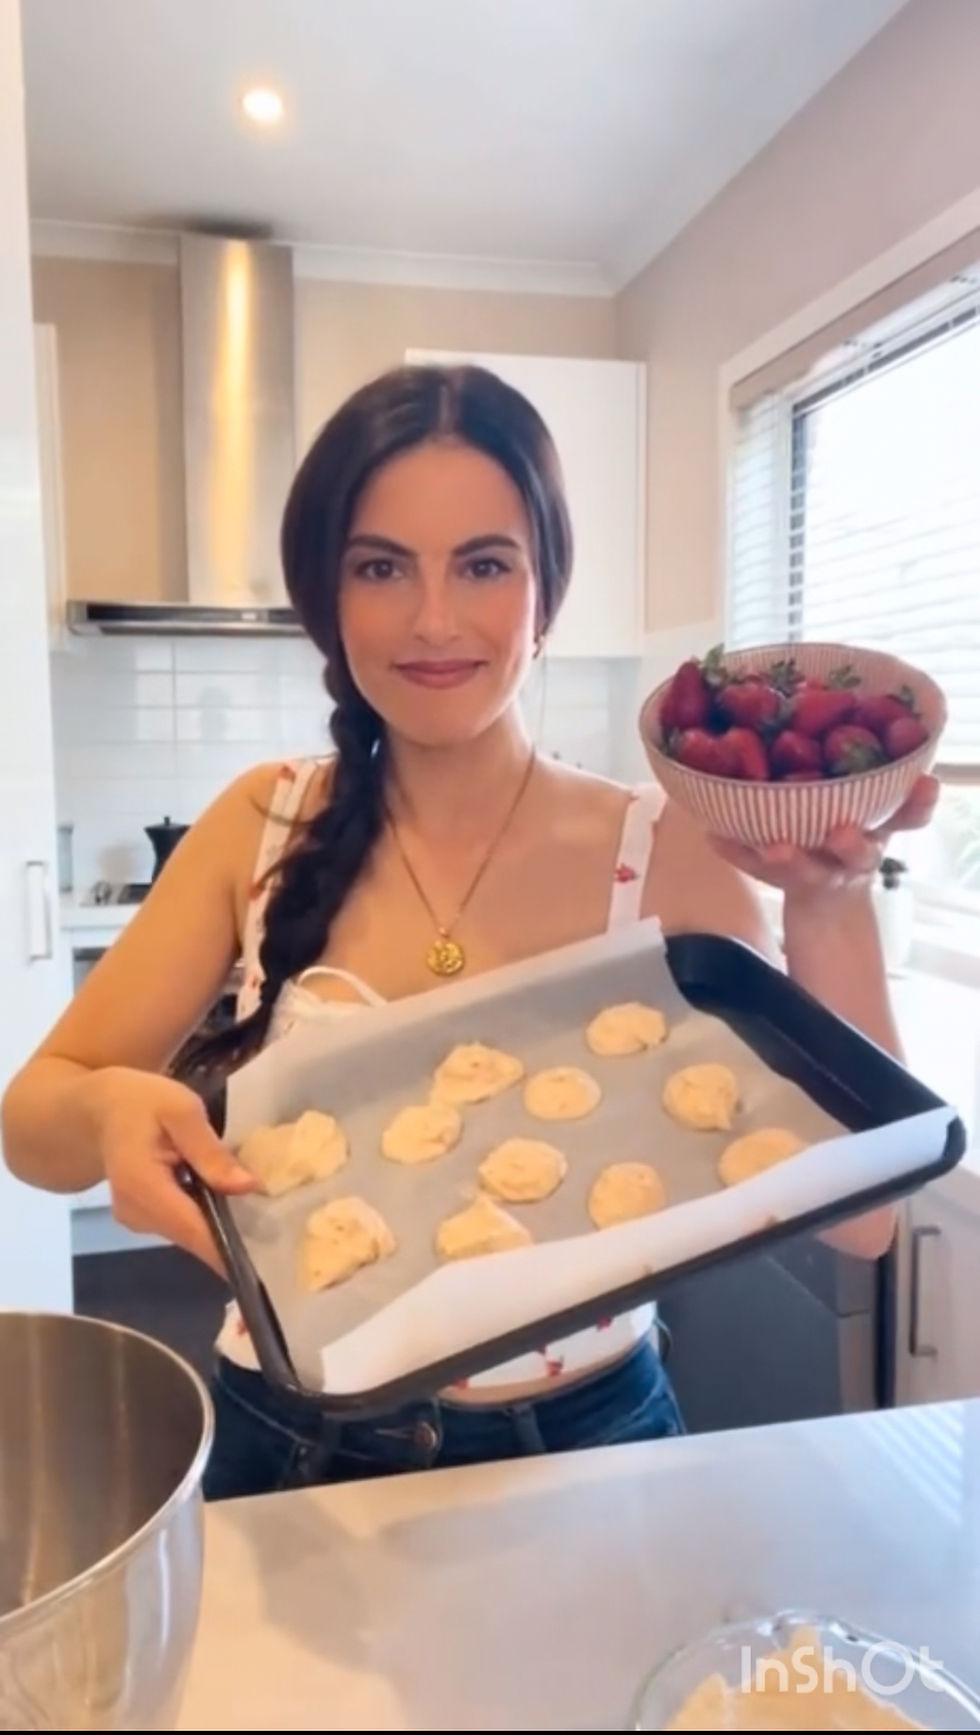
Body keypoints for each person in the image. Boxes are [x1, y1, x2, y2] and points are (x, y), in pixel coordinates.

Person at [2, 365, 934, 1501]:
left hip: (592, 1446)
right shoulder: (261, 825)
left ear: (545, 590)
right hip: (286, 1442)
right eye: (380, 565)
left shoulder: (666, 849)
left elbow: (866, 1222)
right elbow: (29, 1131)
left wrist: (827, 903)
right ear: (326, 597)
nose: (433, 618)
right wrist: (104, 1108)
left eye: (483, 564)